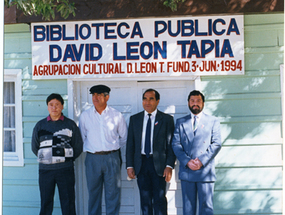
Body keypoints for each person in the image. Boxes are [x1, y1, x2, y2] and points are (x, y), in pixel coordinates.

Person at [79, 84, 128, 215]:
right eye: (93, 95)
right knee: (93, 194)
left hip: (112, 158)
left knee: (113, 194)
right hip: (92, 159)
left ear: (107, 97)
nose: (95, 97)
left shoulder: (116, 115)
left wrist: (111, 150)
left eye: (99, 95)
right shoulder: (85, 116)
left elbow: (123, 138)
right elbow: (82, 137)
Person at [31, 93, 83, 215]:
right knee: (46, 202)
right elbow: (35, 147)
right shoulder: (40, 125)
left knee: (68, 202)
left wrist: (65, 158)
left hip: (65, 170)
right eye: (51, 105)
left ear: (62, 106)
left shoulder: (70, 125)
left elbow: (78, 146)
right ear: (48, 107)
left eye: (57, 105)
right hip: (45, 171)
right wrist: (48, 158)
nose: (54, 107)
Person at [126, 88, 176, 215]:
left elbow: (171, 145)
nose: (147, 102)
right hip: (141, 164)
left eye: (151, 99)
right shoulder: (134, 119)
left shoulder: (166, 120)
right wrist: (130, 165)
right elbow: (130, 145)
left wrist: (169, 165)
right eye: (145, 98)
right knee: (145, 201)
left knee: (159, 200)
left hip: (159, 165)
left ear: (157, 101)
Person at [172, 90, 222, 215]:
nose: (195, 104)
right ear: (188, 103)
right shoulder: (180, 122)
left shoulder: (213, 121)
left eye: (198, 101)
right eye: (192, 101)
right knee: (188, 209)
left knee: (206, 209)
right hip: (187, 170)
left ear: (203, 103)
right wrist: (187, 161)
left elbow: (216, 143)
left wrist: (201, 161)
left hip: (205, 171)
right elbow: (175, 144)